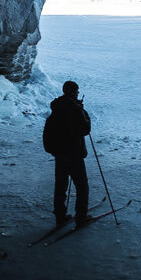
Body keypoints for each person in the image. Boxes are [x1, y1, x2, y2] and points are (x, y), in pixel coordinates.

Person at [49, 80, 92, 227]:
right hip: (73, 153)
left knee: (60, 185)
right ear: (73, 92)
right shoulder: (74, 109)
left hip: (59, 153)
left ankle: (60, 217)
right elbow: (85, 129)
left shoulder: (57, 106)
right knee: (82, 186)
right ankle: (81, 217)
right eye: (77, 91)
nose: (78, 93)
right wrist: (83, 112)